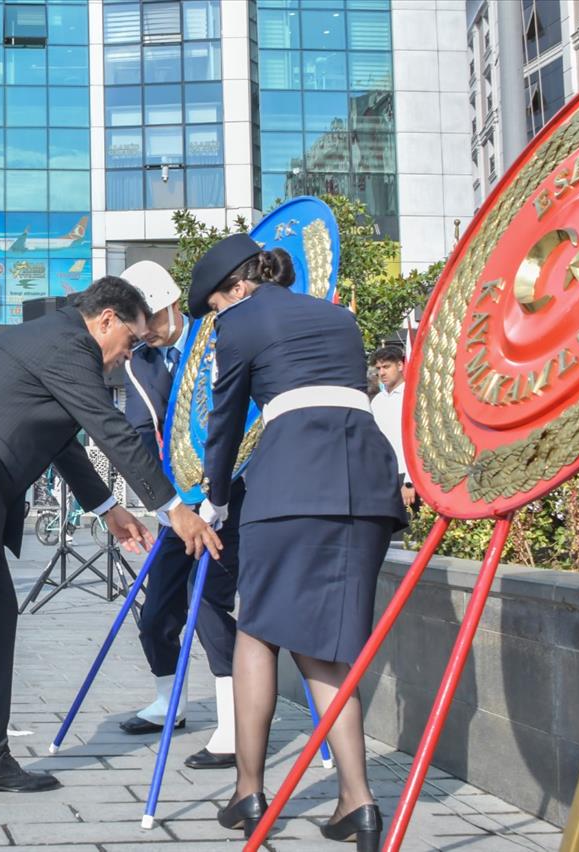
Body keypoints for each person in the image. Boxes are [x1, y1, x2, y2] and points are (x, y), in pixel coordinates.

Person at [0, 276, 222, 817]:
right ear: (107, 319)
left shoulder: (57, 342)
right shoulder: (66, 344)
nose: (125, 357)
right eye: (129, 342)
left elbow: (64, 441)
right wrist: (172, 508)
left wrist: (108, 510)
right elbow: (109, 430)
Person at [192, 234, 405, 847]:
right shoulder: (338, 315)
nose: (215, 320)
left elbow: (225, 418)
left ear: (232, 289)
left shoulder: (239, 324)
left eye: (212, 307)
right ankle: (358, 800)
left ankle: (249, 791)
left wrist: (217, 495)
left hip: (288, 486)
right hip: (365, 482)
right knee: (328, 643)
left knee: (257, 629)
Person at [118, 261, 242, 771]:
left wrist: (215, 493)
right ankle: (170, 700)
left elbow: (233, 415)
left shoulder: (214, 336)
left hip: (229, 493)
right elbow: (140, 436)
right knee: (156, 611)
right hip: (178, 503)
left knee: (207, 603)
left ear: (171, 302)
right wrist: (165, 505)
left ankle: (237, 724)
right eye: (136, 319)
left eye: (149, 315)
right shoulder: (138, 362)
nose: (144, 329)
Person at [369, 346, 417, 512]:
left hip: (408, 480)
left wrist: (410, 481)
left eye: (386, 367)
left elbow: (418, 441)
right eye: (379, 368)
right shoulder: (376, 401)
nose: (381, 373)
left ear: (400, 365)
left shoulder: (413, 396)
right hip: (382, 480)